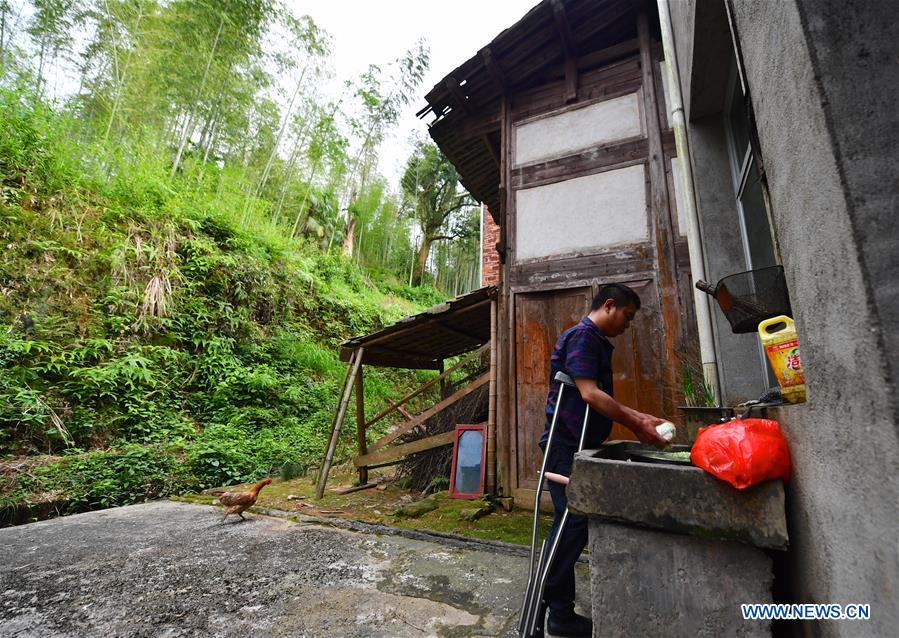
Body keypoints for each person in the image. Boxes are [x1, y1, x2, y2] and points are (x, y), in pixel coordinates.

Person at [538, 283, 668, 638]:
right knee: (572, 524)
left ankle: (552, 609)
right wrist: (635, 421)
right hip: (565, 446)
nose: (627, 326)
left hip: (574, 445)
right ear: (609, 306)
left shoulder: (592, 340)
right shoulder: (583, 337)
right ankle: (554, 609)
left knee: (568, 526)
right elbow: (589, 393)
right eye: (627, 317)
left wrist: (641, 416)